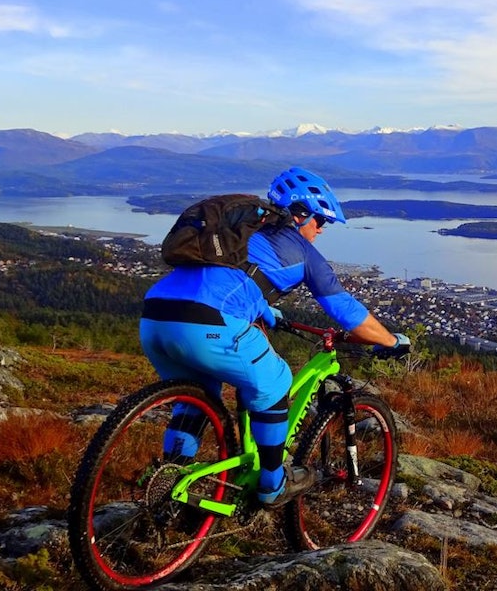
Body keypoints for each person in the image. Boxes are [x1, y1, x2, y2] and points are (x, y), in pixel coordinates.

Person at [139, 167, 409, 506]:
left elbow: (235, 279)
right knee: (276, 380)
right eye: (320, 221)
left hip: (155, 318)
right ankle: (272, 484)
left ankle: (169, 481)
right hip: (209, 323)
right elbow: (348, 313)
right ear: (299, 214)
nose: (321, 230)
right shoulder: (303, 252)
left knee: (197, 396)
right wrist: (391, 341)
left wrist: (267, 312)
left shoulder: (238, 231)